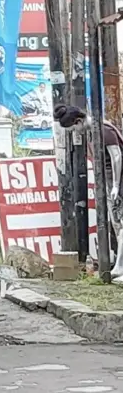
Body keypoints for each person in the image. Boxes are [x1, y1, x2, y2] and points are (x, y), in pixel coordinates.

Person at [54, 104, 123, 278]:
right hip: (108, 182)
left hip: (118, 182)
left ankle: (120, 266)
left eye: (73, 129)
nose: (75, 133)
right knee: (117, 224)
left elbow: (117, 156)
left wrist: (115, 185)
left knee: (121, 223)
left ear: (78, 121)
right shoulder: (93, 132)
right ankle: (120, 266)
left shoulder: (103, 130)